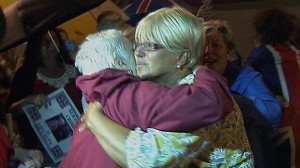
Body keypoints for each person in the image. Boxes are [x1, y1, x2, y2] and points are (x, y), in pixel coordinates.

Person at [60, 7, 253, 168]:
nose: (139, 53)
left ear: (182, 57)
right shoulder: (157, 91)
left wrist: (95, 118)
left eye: (150, 46)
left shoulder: (193, 95)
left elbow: (148, 160)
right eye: (137, 45)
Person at [202, 18, 279, 168]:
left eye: (216, 46)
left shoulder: (244, 77)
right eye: (203, 47)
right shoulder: (190, 80)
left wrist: (232, 101)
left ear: (229, 53)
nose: (208, 52)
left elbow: (272, 113)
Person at [5, 28, 83, 165]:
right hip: (48, 152)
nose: (51, 45)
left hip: (84, 140)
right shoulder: (25, 75)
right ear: (35, 46)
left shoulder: (72, 66)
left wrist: (80, 70)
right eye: (44, 41)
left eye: (54, 39)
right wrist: (26, 101)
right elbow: (11, 109)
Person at [247, 7, 300, 168]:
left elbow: (246, 80)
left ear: (259, 32)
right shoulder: (294, 53)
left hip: (286, 126)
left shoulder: (262, 54)